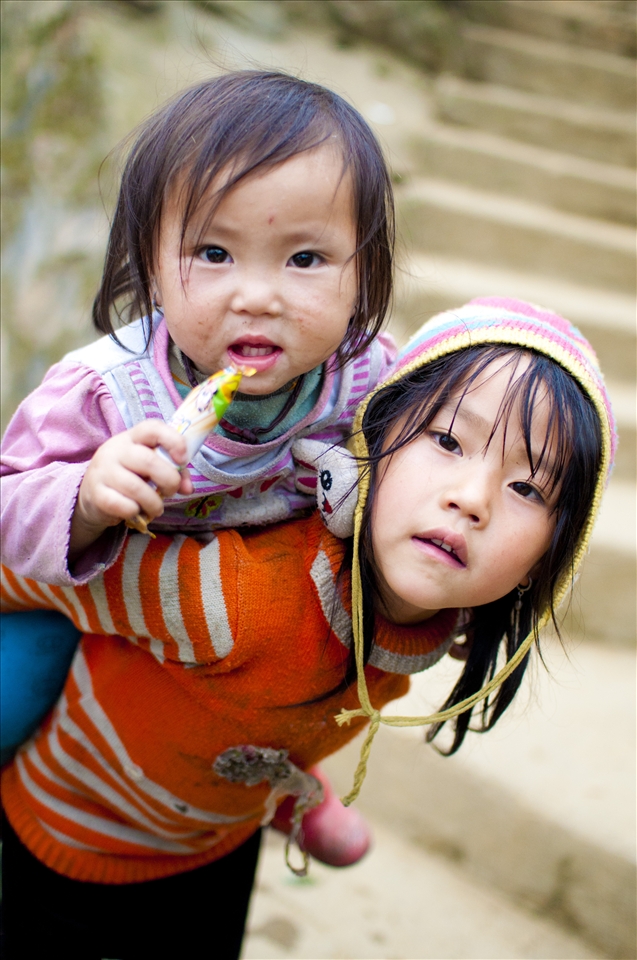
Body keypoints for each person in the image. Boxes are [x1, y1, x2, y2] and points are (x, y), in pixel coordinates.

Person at [0, 299, 615, 960]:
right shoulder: (233, 598)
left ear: (546, 558)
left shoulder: (437, 619)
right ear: (372, 443)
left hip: (217, 848)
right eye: (445, 441)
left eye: (527, 488)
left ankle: (292, 791)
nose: (473, 498)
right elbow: (31, 574)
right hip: (73, 841)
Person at [0, 69, 396, 857]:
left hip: (245, 632)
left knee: (295, 674)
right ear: (149, 264)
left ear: (362, 272)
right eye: (213, 252)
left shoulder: (370, 379)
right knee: (15, 693)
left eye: (306, 259)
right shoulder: (103, 392)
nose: (258, 296)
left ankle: (285, 789)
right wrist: (84, 493)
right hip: (92, 608)